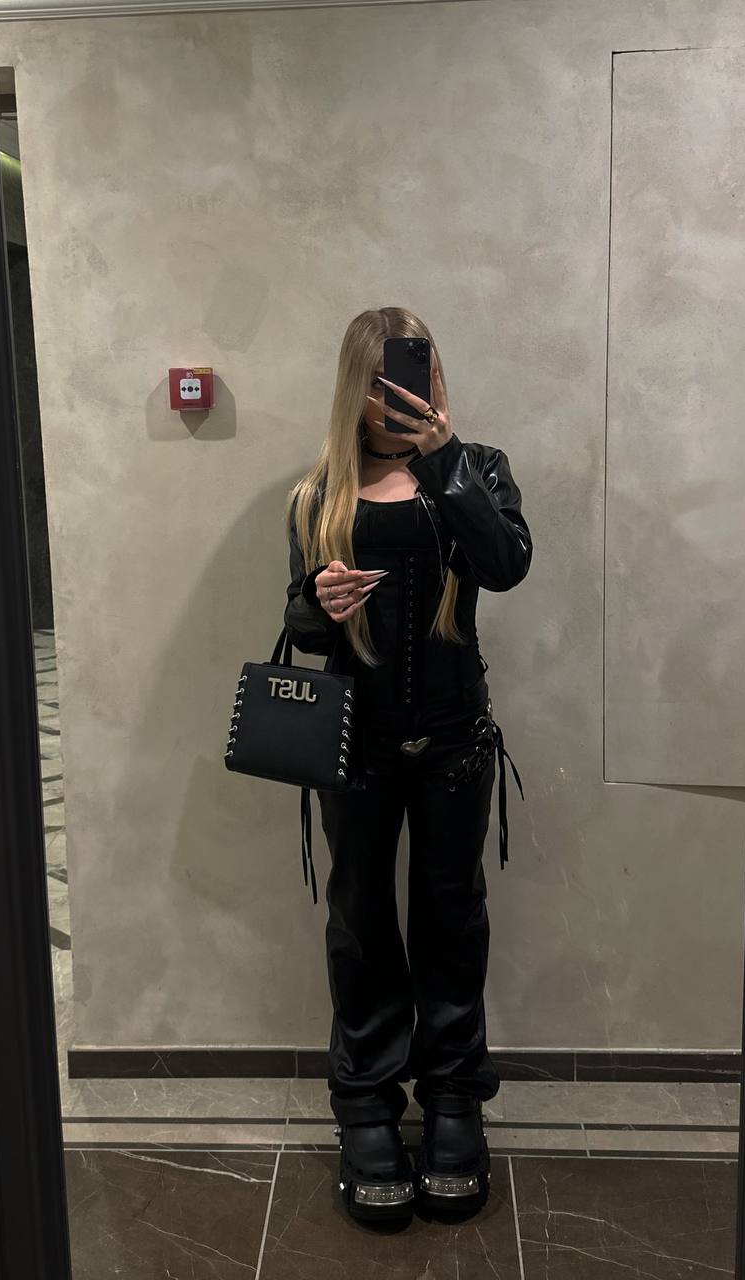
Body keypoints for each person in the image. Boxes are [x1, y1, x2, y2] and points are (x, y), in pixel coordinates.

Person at [282, 307, 532, 1221]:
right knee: (360, 923)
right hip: (356, 745)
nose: (400, 392)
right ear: (359, 383)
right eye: (384, 378)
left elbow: (505, 564)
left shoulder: (477, 468)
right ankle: (365, 1108)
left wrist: (443, 457)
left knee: (452, 921)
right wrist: (320, 601)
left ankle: (455, 1100)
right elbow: (303, 629)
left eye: (414, 372)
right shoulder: (321, 493)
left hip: (455, 743)